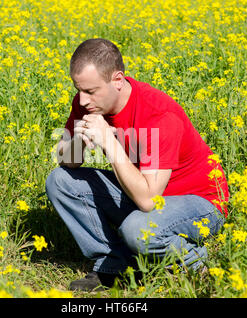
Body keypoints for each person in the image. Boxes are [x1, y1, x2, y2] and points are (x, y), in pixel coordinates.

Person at [45, 38, 229, 291]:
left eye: (90, 91)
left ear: (117, 80)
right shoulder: (87, 104)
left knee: (139, 229)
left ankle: (196, 265)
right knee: (60, 180)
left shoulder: (158, 115)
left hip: (198, 202)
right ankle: (114, 264)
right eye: (78, 89)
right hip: (146, 189)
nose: (83, 100)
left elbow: (148, 201)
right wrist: (80, 138)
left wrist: (109, 142)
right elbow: (68, 161)